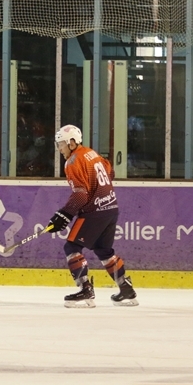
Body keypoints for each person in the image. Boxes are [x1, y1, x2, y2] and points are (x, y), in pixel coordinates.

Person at [48, 124, 138, 308]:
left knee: (72, 247)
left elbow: (81, 194)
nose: (60, 149)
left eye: (62, 144)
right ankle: (126, 290)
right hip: (111, 208)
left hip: (95, 211)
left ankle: (85, 291)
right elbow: (109, 172)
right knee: (104, 251)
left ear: (72, 143)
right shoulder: (92, 154)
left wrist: (64, 214)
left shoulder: (73, 161)